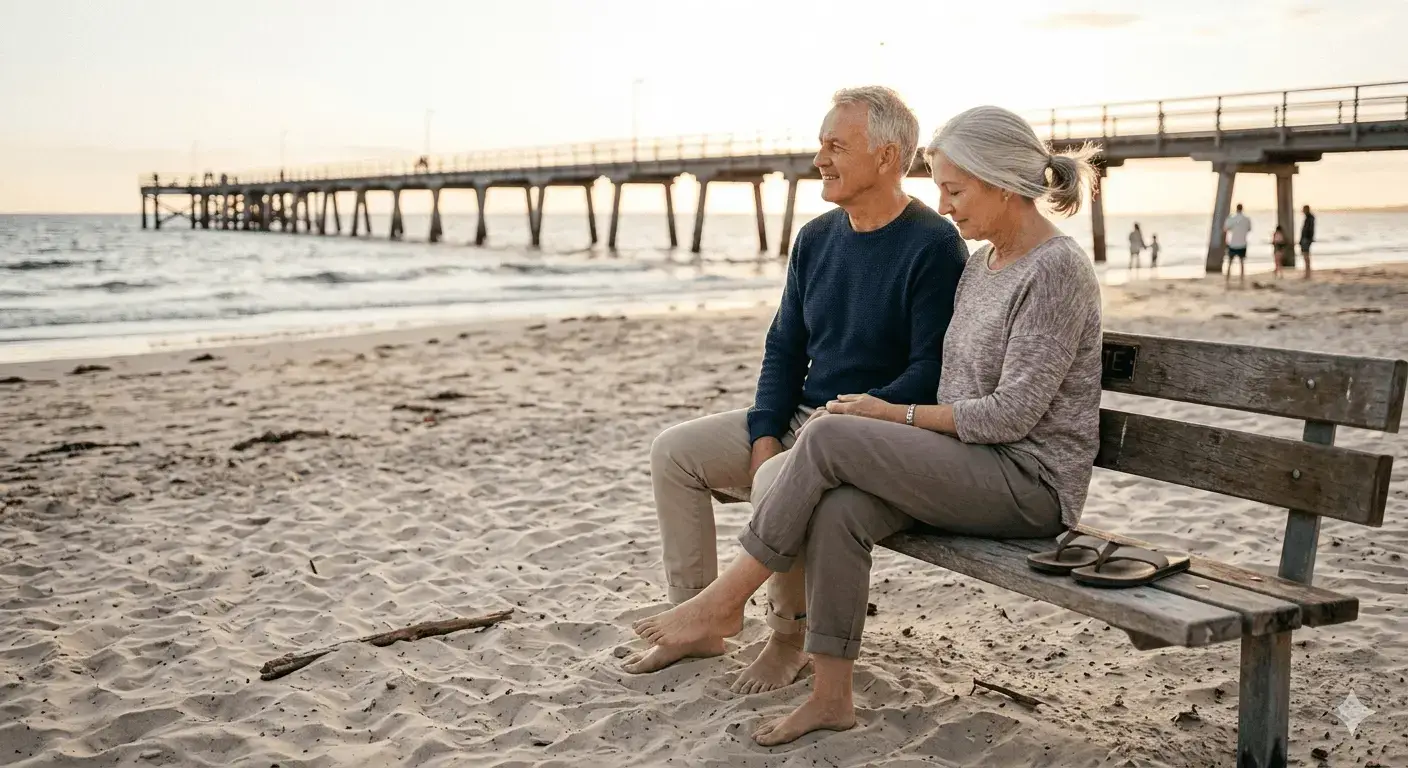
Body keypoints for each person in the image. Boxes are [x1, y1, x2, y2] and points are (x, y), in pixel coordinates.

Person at [631, 105, 1103, 746]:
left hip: (1028, 480)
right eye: (940, 188)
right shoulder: (983, 264)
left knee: (827, 436)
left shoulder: (1056, 270)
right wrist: (808, 426)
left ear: (1001, 182)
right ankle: (832, 697)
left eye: (956, 190)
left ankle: (726, 599)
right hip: (965, 459)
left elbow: (1013, 413)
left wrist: (891, 416)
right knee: (840, 507)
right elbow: (803, 347)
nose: (944, 207)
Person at [630, 86, 968, 694]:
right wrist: (765, 431)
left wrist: (840, 421)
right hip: (801, 417)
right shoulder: (815, 238)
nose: (820, 159)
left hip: (869, 432)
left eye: (836, 146)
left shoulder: (934, 245)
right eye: (820, 145)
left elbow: (930, 369)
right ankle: (698, 621)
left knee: (775, 479)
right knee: (673, 452)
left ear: (888, 157)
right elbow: (784, 348)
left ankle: (788, 638)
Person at [1224, 203, 1252, 286]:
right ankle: (1242, 279)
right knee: (1242, 262)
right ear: (1242, 209)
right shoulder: (1247, 219)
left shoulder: (1232, 218)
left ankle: (1227, 279)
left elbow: (1225, 228)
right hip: (1242, 243)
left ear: (1236, 209)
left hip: (1233, 243)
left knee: (1230, 262)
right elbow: (1249, 229)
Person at [1300, 205, 1316, 279]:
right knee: (1305, 255)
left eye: (1303, 209)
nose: (1303, 211)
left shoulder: (1310, 218)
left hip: (1306, 239)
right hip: (1306, 238)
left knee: (1306, 256)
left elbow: (1309, 230)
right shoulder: (1309, 218)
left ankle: (1308, 273)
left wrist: (1308, 238)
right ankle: (1307, 273)